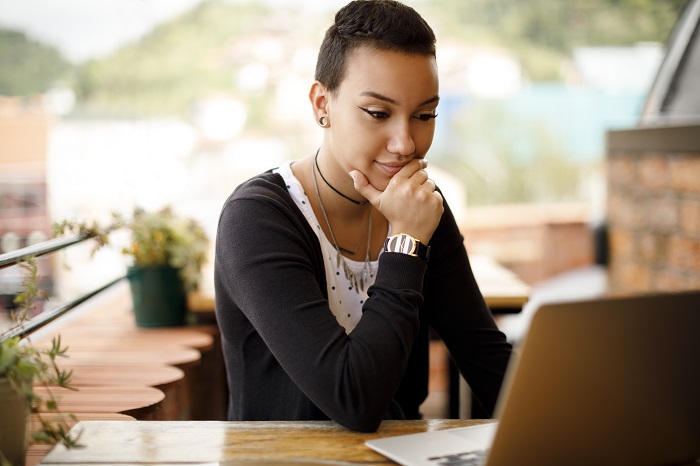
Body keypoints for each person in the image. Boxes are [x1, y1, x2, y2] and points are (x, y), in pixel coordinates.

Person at [214, 0, 513, 433]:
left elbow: (484, 357)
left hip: (400, 457)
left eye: (424, 115)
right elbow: (354, 400)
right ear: (323, 103)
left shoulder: (422, 207)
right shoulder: (256, 220)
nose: (406, 143)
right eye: (378, 113)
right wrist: (406, 241)